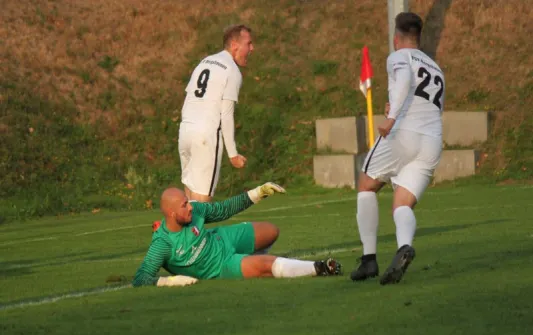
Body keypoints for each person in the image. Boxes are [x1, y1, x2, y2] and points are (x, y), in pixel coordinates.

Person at [351, 12, 445, 285]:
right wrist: (396, 107)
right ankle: (404, 247)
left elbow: (404, 82)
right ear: (418, 36)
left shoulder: (398, 57)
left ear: (396, 38)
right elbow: (431, 104)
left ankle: (369, 259)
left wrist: (391, 118)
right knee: (402, 204)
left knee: (366, 184)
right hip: (432, 140)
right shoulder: (435, 67)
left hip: (404, 133)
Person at [133, 183, 342, 287]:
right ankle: (319, 267)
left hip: (222, 238)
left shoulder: (195, 210)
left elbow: (224, 209)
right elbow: (141, 278)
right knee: (266, 266)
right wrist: (171, 281)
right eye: (184, 205)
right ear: (171, 213)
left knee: (271, 231)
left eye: (188, 202)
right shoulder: (162, 243)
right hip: (220, 266)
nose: (190, 208)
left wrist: (259, 192)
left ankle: (253, 261)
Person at [178, 24, 253, 203]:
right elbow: (226, 115)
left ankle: (185, 232)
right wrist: (233, 154)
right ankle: (197, 231)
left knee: (188, 199)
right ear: (235, 45)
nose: (252, 48)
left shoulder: (205, 61)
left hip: (186, 131)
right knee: (202, 202)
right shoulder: (232, 71)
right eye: (248, 44)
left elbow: (189, 97)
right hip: (206, 135)